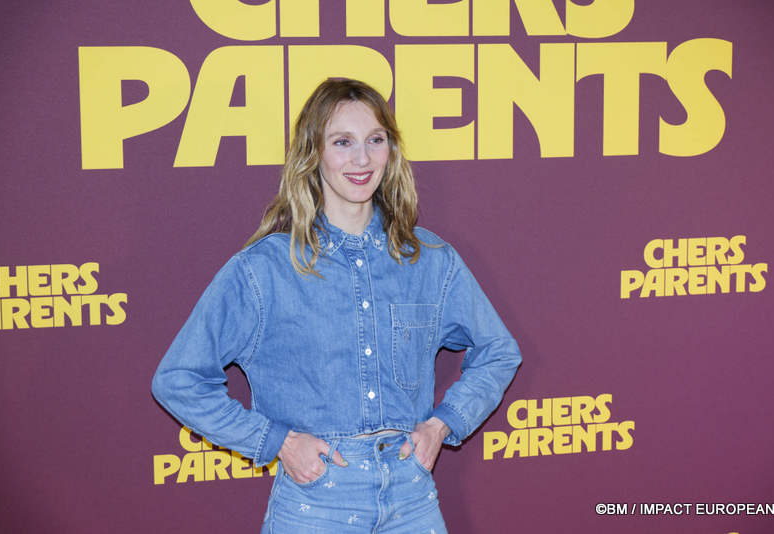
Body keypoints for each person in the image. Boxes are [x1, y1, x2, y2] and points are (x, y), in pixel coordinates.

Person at [152, 78, 521, 533]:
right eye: (342, 142)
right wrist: (276, 441)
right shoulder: (264, 269)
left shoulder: (431, 261)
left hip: (411, 499)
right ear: (313, 153)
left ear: (391, 150)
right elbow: (178, 379)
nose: (361, 159)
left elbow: (499, 352)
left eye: (375, 140)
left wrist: (441, 425)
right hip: (315, 503)